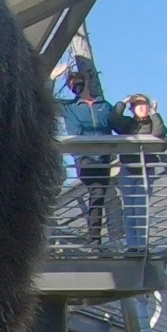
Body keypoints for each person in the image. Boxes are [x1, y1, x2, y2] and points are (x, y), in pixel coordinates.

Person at [56, 67, 118, 248]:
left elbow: (120, 125)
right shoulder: (68, 107)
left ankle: (97, 239)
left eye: (77, 82)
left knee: (99, 195)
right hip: (84, 157)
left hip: (104, 158)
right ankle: (94, 239)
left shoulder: (104, 106)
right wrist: (53, 78)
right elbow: (40, 100)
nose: (75, 86)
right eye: (71, 84)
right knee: (96, 192)